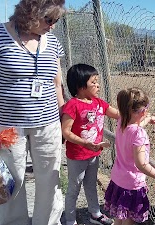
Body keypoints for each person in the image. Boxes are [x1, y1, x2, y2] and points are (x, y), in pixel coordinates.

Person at [0, 0, 66, 224]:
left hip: (48, 125)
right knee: (12, 182)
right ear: (30, 13)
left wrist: (63, 116)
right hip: (8, 127)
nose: (53, 26)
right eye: (49, 19)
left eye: (56, 20)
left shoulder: (53, 41)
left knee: (50, 181)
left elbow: (57, 84)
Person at [61, 64, 119, 225]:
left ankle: (95, 213)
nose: (98, 85)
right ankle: (70, 220)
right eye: (93, 82)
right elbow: (66, 131)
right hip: (78, 156)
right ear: (80, 86)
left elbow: (117, 114)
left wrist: (137, 115)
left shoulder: (99, 103)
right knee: (74, 188)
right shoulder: (73, 105)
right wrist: (84, 143)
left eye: (97, 81)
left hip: (94, 154)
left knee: (91, 184)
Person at [104, 87, 155, 225]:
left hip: (118, 179)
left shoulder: (121, 122)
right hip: (132, 185)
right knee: (129, 221)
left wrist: (148, 120)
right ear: (143, 111)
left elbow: (134, 126)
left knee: (119, 217)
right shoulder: (139, 134)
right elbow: (142, 164)